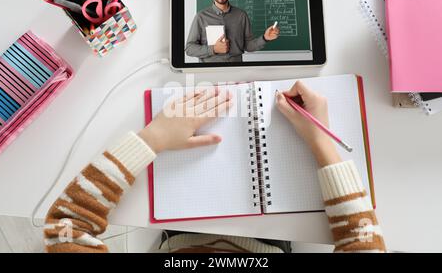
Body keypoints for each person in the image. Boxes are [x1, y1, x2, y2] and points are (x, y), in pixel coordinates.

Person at [43, 82, 386, 253]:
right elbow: (363, 242)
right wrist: (322, 143)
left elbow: (66, 228)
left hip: (179, 244)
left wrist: (153, 137)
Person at [185, 0, 280, 63]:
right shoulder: (201, 17)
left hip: (236, 70)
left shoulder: (241, 15)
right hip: (209, 72)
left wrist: (265, 38)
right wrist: (213, 49)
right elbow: (189, 49)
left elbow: (248, 46)